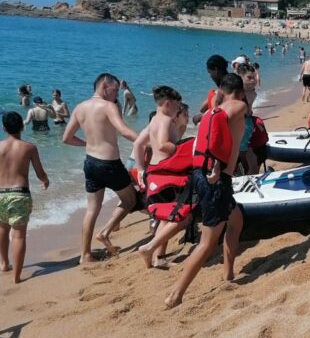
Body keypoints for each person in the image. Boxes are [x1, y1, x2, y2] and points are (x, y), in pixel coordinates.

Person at [164, 73, 247, 308]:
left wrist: (215, 102)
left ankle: (228, 274)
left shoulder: (211, 112)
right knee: (207, 243)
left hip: (201, 174)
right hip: (217, 180)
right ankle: (176, 294)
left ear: (221, 90)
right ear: (240, 92)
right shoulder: (237, 106)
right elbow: (234, 111)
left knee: (236, 220)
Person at [62, 72, 138, 264]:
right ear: (105, 86)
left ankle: (85, 255)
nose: (117, 95)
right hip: (110, 164)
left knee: (92, 210)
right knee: (130, 200)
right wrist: (144, 141)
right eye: (115, 90)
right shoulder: (108, 106)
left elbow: (66, 138)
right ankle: (105, 232)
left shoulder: (79, 108)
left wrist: (87, 143)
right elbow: (123, 130)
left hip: (90, 163)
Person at [137, 86, 186, 269]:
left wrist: (140, 168)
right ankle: (150, 249)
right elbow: (164, 144)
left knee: (164, 217)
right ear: (167, 103)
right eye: (177, 105)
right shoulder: (165, 120)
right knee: (178, 216)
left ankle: (159, 257)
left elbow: (138, 143)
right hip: (167, 173)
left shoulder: (154, 121)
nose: (178, 109)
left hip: (154, 173)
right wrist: (184, 150)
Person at [0, 111, 49, 283]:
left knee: (2, 229)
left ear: (3, 128)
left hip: (0, 194)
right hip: (19, 194)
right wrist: (45, 180)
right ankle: (16, 276)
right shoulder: (29, 148)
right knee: (18, 235)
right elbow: (40, 173)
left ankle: (4, 264)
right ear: (22, 126)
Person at [193, 54, 229, 124]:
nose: (210, 76)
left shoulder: (225, 87)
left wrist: (202, 116)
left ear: (215, 70)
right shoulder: (230, 81)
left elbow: (219, 113)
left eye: (209, 72)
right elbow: (202, 109)